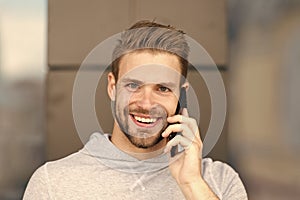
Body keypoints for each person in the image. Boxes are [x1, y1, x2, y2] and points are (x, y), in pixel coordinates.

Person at [23, 20, 247, 199]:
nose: (146, 103)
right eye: (133, 85)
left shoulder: (220, 181)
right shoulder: (52, 183)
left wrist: (192, 184)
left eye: (163, 88)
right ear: (112, 87)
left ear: (182, 94)